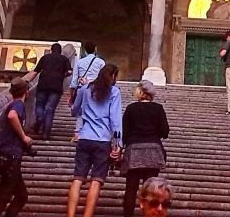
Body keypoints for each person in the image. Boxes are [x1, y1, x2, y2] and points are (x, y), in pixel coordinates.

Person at [68, 63, 122, 217]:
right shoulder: (114, 92)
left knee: (78, 179)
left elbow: (75, 110)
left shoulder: (86, 89)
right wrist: (117, 145)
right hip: (103, 140)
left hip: (84, 137)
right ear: (113, 76)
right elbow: (116, 120)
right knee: (96, 181)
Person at [121, 80, 170, 217]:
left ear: (140, 92)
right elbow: (165, 132)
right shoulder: (158, 108)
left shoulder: (131, 108)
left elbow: (124, 133)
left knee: (131, 188)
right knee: (151, 190)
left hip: (134, 151)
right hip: (153, 151)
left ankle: (128, 214)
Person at [0, 77, 32, 217]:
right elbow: (12, 116)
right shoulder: (18, 105)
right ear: (26, 92)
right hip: (10, 157)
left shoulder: (11, 104)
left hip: (8, 154)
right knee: (6, 195)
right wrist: (24, 137)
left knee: (20, 195)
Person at [31, 42, 72, 140]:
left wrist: (26, 81)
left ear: (51, 50)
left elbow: (35, 71)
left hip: (43, 85)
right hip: (56, 87)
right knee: (49, 110)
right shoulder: (64, 59)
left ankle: (39, 118)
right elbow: (69, 71)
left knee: (40, 105)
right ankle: (46, 134)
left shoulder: (45, 58)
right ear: (60, 51)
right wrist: (62, 75)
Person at [70, 42, 105, 141]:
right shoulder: (101, 62)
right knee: (95, 110)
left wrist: (71, 93)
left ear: (85, 50)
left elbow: (74, 80)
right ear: (95, 49)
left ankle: (77, 133)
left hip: (81, 88)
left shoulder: (80, 62)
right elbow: (103, 77)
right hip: (95, 88)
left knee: (81, 111)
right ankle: (93, 131)